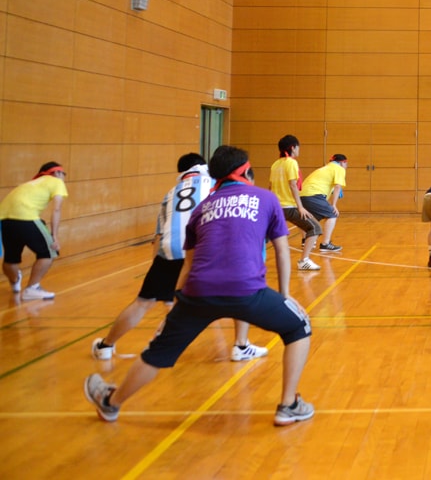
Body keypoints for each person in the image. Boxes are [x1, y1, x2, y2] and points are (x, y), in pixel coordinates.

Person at [83, 145, 314, 425]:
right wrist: (286, 296)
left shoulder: (202, 207)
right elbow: (281, 250)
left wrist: (176, 309)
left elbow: (190, 266)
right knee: (298, 326)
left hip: (198, 294)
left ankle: (111, 403)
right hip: (247, 292)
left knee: (157, 353)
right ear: (247, 172)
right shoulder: (265, 199)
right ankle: (288, 406)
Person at [90, 153, 267, 362]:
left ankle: (105, 346)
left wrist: (159, 272)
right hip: (203, 248)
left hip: (170, 251)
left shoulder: (171, 192)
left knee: (143, 302)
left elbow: (158, 236)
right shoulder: (216, 185)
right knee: (240, 291)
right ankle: (241, 345)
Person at [1, 161, 68, 300]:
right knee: (49, 251)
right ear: (56, 173)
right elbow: (57, 209)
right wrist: (55, 236)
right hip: (26, 216)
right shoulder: (56, 181)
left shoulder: (29, 184)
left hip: (4, 219)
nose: (64, 177)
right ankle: (32, 288)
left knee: (11, 257)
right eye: (63, 173)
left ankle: (14, 280)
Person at [269, 135, 322, 271]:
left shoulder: (275, 164)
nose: (299, 150)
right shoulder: (291, 163)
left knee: (266, 235)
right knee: (315, 228)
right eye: (298, 147)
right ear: (293, 147)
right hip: (288, 206)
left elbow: (270, 186)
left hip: (276, 207)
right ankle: (304, 260)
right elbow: (293, 185)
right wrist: (300, 207)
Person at [299, 154, 347, 253]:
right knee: (332, 214)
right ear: (343, 162)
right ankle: (325, 244)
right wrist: (333, 205)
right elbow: (337, 187)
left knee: (309, 217)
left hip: (302, 194)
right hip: (314, 194)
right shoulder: (339, 169)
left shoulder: (324, 169)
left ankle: (305, 240)